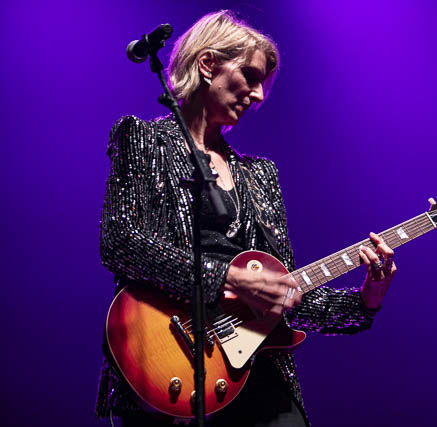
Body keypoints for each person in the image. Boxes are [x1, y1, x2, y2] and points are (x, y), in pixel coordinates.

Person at [96, 11, 397, 427]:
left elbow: (284, 298)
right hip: (165, 366)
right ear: (208, 64)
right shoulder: (144, 139)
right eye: (251, 76)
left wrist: (368, 298)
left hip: (255, 375)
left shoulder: (260, 175)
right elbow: (121, 242)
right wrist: (229, 278)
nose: (258, 96)